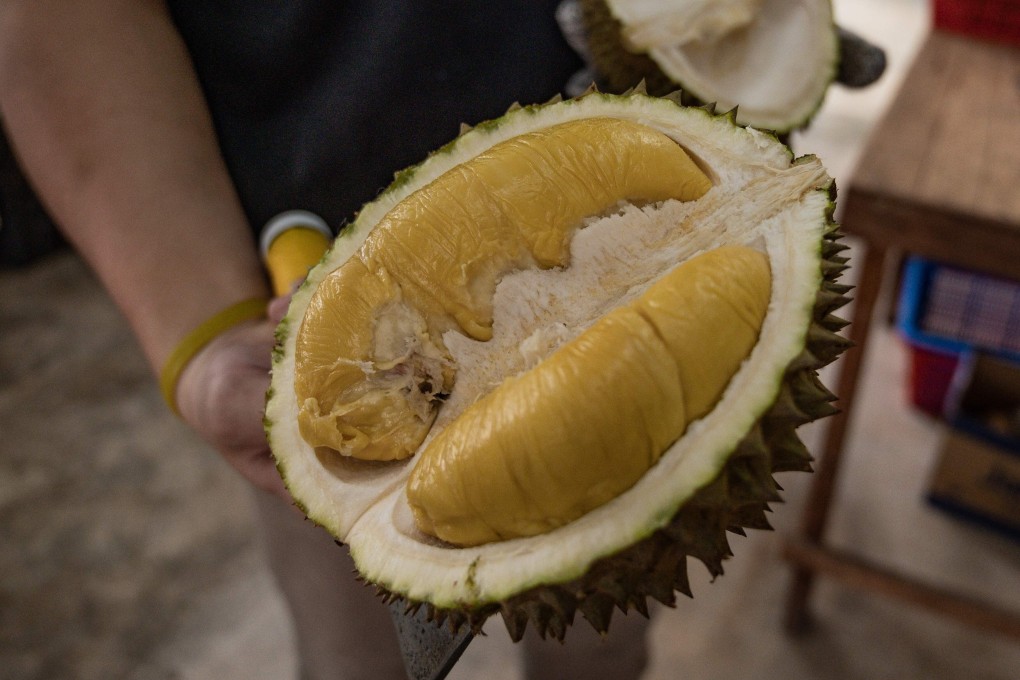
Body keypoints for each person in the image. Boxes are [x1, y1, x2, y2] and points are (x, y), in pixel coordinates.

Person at [0, 2, 652, 678]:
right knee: (353, 656)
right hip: (307, 323)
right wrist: (200, 324)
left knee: (599, 639)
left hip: (613, 258)